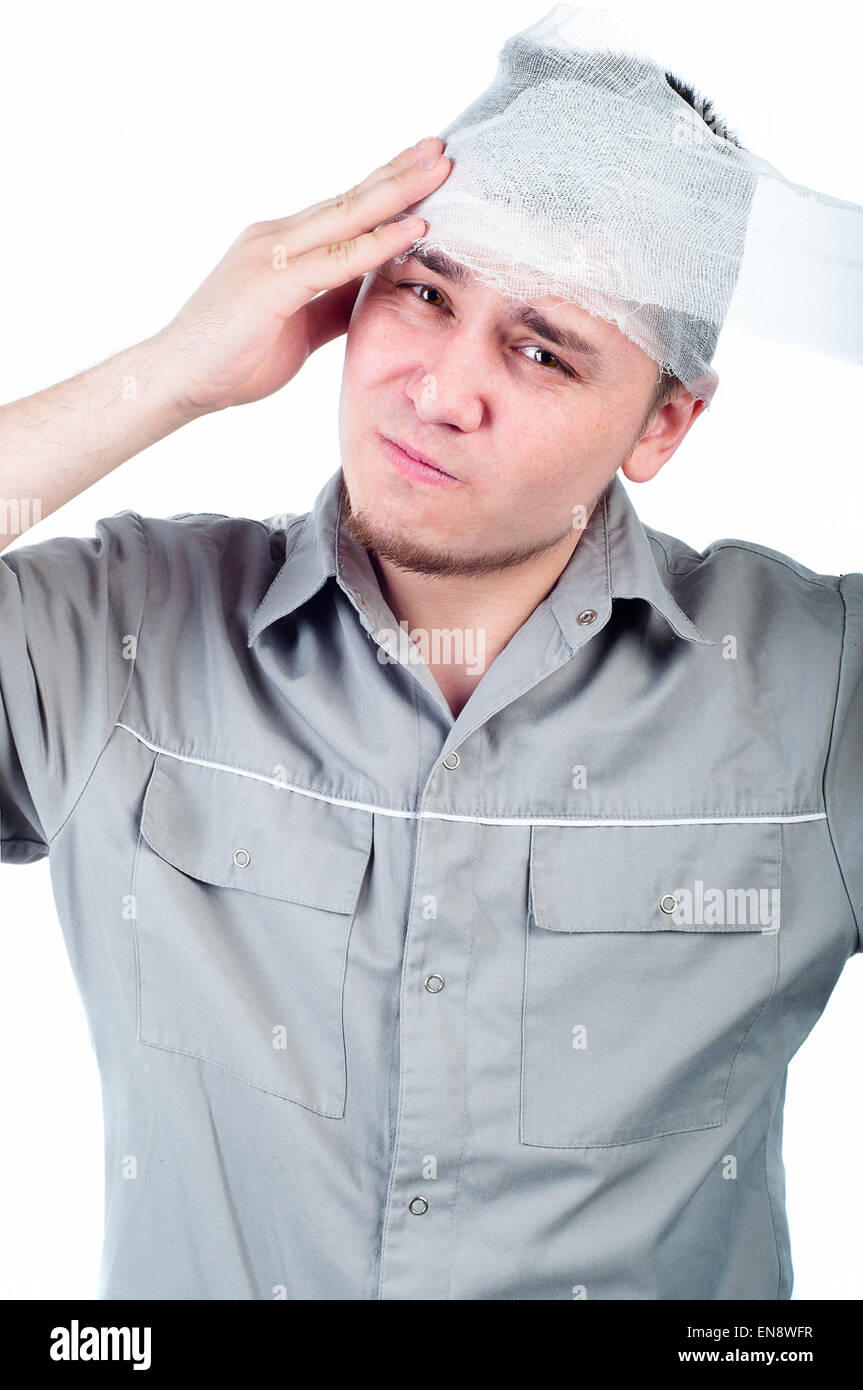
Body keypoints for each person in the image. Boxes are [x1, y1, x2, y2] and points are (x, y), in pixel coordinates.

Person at [0, 91, 860, 1302]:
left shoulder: (813, 687)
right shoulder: (119, 634)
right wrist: (166, 374)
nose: (441, 390)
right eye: (423, 291)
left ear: (661, 423)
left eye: (541, 347)